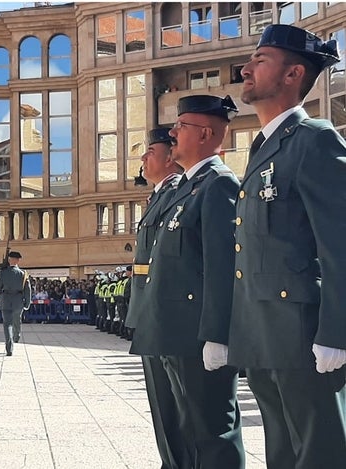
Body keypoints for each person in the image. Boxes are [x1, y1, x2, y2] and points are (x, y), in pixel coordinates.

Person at [227, 24, 346, 468]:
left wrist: (337, 332)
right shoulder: (264, 150)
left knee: (320, 455)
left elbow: (341, 244)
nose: (246, 68)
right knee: (282, 454)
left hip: (303, 335)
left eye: (260, 61)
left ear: (294, 73)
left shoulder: (314, 140)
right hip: (263, 333)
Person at [130, 94, 245, 469]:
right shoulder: (184, 189)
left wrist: (218, 333)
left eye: (181, 126)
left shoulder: (219, 185)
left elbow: (222, 265)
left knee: (211, 434)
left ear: (206, 133)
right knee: (182, 430)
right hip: (170, 327)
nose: (174, 133)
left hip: (195, 332)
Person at [125, 127, 189, 469]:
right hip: (149, 313)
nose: (143, 158)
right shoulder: (159, 196)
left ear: (169, 156)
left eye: (150, 151)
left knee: (177, 406)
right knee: (163, 406)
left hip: (166, 313)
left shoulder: (178, 192)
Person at [0, 251, 31, 356]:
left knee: (7, 324)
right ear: (18, 260)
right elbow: (27, 289)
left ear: (10, 259)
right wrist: (27, 303)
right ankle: (17, 334)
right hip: (18, 301)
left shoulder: (3, 272)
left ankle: (9, 347)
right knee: (16, 320)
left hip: (5, 300)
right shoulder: (23, 273)